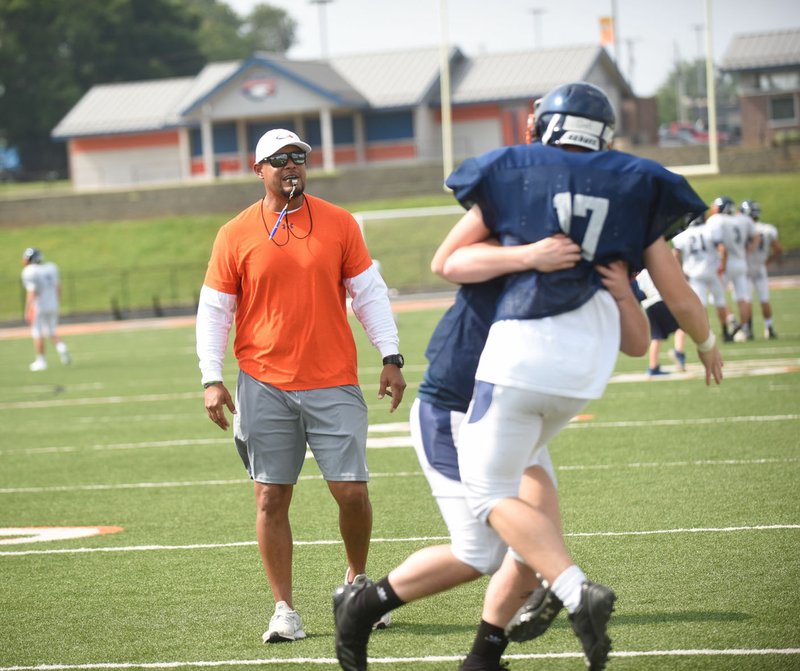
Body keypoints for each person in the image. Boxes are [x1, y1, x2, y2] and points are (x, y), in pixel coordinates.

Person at [437, 82, 722, 671]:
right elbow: (677, 293)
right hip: (586, 367)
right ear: (604, 134)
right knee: (529, 470)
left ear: (547, 125)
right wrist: (708, 342)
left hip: (522, 351)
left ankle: (571, 590)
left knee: (488, 493)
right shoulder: (635, 181)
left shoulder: (514, 170)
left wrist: (528, 254)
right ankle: (493, 644)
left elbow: (448, 263)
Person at [332, 230, 650, 671]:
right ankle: (363, 605)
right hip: (456, 410)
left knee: (536, 544)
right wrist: (529, 254)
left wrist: (622, 287)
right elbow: (447, 262)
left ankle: (483, 658)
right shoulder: (518, 231)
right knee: (481, 552)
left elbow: (636, 342)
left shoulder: (597, 246)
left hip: (514, 415)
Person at [195, 128, 406, 644]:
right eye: (279, 160)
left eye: (298, 158)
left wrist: (391, 356)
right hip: (262, 382)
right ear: (258, 169)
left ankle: (357, 585)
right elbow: (215, 311)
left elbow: (368, 294)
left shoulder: (339, 222)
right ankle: (284, 609)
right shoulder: (234, 233)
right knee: (271, 497)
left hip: (333, 379)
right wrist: (211, 376)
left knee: (352, 492)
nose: (291, 166)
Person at [671, 213, 731, 341]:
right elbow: (723, 249)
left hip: (694, 274)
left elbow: (675, 255)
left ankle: (707, 333)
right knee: (720, 301)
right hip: (712, 271)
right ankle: (725, 331)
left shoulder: (682, 236)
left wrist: (680, 273)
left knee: (701, 305)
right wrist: (722, 265)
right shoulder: (710, 230)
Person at [708, 195, 759, 341]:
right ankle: (745, 330)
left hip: (725, 263)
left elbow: (714, 242)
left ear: (719, 208)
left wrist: (721, 264)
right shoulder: (742, 219)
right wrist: (747, 252)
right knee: (743, 297)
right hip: (740, 261)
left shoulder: (716, 220)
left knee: (716, 297)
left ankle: (731, 320)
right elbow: (756, 237)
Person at [20, 247, 71, 371]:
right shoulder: (51, 268)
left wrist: (27, 309)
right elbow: (58, 287)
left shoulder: (29, 271)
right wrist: (57, 301)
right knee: (51, 331)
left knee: (37, 332)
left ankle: (41, 361)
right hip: (53, 304)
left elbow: (32, 292)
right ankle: (62, 347)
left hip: (39, 306)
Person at [632, 269, 687, 376]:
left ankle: (653, 367)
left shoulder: (637, 271)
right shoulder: (654, 264)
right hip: (660, 299)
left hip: (647, 304)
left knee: (656, 336)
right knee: (682, 325)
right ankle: (678, 352)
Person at [742, 200, 782, 339]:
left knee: (745, 300)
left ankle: (747, 329)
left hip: (745, 268)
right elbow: (778, 249)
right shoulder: (768, 229)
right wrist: (767, 262)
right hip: (760, 267)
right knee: (764, 299)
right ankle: (769, 327)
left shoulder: (742, 228)